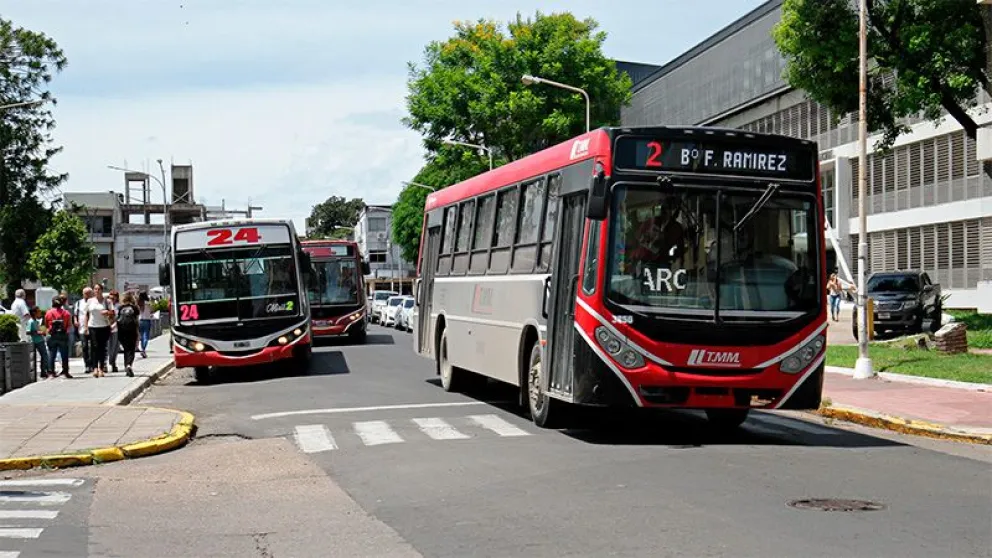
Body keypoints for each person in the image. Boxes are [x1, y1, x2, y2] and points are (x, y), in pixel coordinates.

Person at [84, 284, 113, 377]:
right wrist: (86, 327)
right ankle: (95, 367)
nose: (97, 291)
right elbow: (87, 314)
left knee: (102, 347)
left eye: (99, 289)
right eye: (95, 289)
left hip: (104, 326)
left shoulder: (107, 301)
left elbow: (112, 313)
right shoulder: (90, 301)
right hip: (93, 326)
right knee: (94, 347)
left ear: (102, 290)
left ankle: (101, 367)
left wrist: (107, 312)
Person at [45, 296, 73, 378]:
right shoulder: (66, 313)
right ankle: (65, 371)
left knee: (51, 354)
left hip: (52, 335)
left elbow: (46, 324)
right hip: (63, 335)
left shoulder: (48, 313)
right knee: (64, 354)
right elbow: (69, 325)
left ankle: (51, 372)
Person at [115, 292, 140, 377]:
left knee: (126, 349)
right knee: (131, 349)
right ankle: (129, 364)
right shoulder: (135, 308)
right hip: (132, 330)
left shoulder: (120, 307)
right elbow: (136, 320)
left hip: (121, 330)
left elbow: (117, 319)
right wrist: (138, 332)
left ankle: (126, 366)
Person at [26, 307, 51, 379]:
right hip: (36, 341)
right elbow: (28, 332)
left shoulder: (36, 321)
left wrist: (42, 332)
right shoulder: (31, 322)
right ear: (34, 313)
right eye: (38, 312)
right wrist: (38, 332)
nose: (40, 313)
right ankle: (44, 371)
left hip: (40, 340)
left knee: (44, 356)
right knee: (43, 356)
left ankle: (44, 371)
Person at [74, 287, 94, 373]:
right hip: (82, 328)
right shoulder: (79, 303)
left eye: (88, 293)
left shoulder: (94, 302)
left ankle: (93, 364)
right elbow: (75, 314)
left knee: (93, 347)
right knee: (85, 346)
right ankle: (87, 365)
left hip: (93, 326)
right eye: (85, 293)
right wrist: (75, 321)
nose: (86, 295)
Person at [106, 290, 121, 373]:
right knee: (107, 346)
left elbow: (119, 317)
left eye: (113, 297)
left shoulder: (119, 306)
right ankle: (105, 363)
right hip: (106, 327)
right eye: (110, 297)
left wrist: (114, 324)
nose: (112, 298)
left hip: (116, 328)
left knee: (115, 346)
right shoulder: (106, 305)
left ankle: (113, 362)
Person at [137, 291, 153, 358]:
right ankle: (143, 350)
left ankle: (142, 349)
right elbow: (152, 310)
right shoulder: (148, 303)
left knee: (141, 336)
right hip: (147, 320)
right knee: (146, 336)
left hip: (140, 320)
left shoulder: (139, 303)